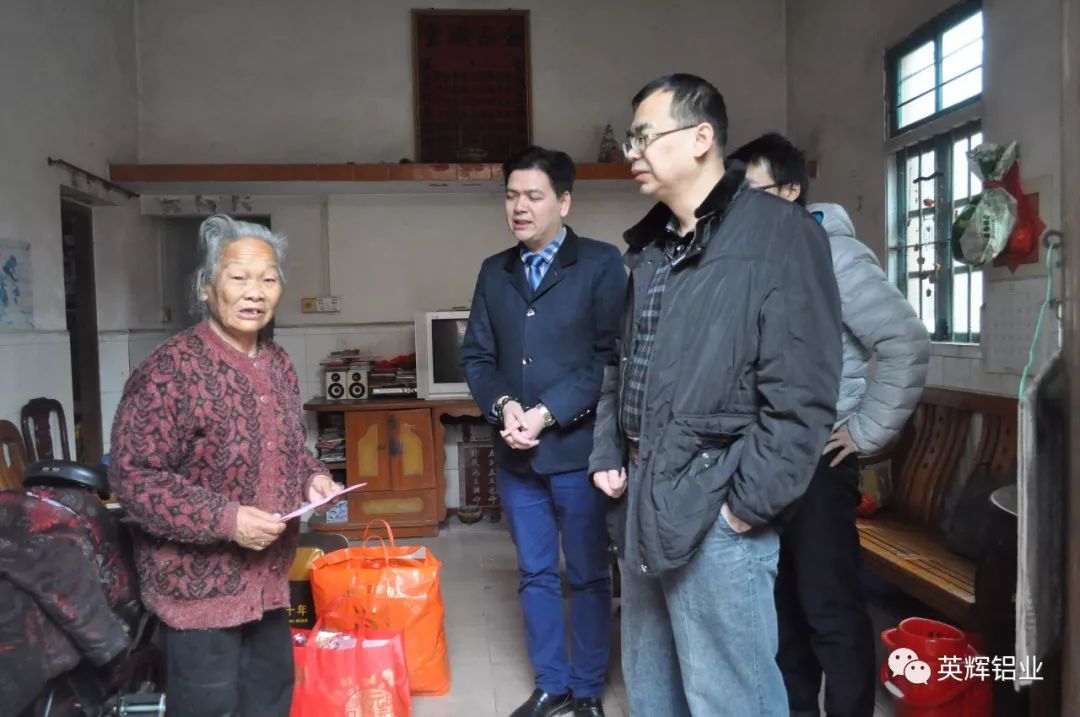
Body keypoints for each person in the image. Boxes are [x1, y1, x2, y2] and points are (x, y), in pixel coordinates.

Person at [588, 74, 843, 716]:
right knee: (654, 689)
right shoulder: (651, 247)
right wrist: (609, 451)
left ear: (701, 137)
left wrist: (744, 508)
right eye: (631, 139)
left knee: (730, 698)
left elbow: (804, 393)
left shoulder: (779, 235)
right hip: (645, 495)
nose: (632, 152)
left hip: (718, 503)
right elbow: (622, 362)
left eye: (645, 136)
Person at [730, 132, 931, 717]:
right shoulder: (755, 260)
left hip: (820, 458)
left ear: (790, 191)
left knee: (829, 606)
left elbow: (905, 341)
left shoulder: (833, 254)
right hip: (767, 458)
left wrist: (865, 431)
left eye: (753, 192)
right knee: (783, 605)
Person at [109, 214, 341, 717]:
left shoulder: (277, 362)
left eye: (268, 279)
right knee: (209, 706)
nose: (254, 292)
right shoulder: (170, 369)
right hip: (198, 592)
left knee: (270, 699)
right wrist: (227, 520)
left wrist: (313, 476)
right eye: (238, 277)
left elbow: (288, 446)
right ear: (206, 288)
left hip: (268, 583)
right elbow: (134, 477)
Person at [460, 146, 626, 717]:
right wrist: (505, 406)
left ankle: (588, 690)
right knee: (534, 574)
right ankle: (551, 684)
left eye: (534, 195)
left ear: (564, 202)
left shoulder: (601, 264)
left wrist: (547, 413)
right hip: (517, 457)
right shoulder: (494, 271)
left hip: (579, 454)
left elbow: (609, 359)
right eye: (511, 196)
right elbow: (477, 356)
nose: (520, 207)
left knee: (587, 573)